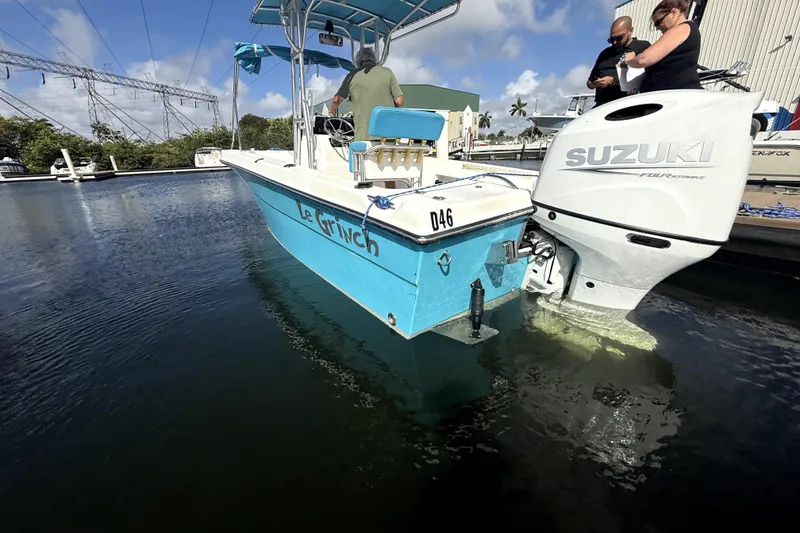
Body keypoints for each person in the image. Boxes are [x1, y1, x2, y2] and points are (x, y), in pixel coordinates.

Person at [621, 0, 702, 93]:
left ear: (673, 12)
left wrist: (630, 60)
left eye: (658, 22)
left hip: (676, 96)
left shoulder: (682, 28)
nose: (657, 27)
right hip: (666, 96)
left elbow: (643, 59)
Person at [328, 47, 404, 142]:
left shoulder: (352, 76)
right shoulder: (387, 72)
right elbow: (399, 101)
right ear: (374, 59)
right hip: (389, 136)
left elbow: (336, 100)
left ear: (358, 61)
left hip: (364, 138)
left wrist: (332, 111)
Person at [586, 16, 651, 107]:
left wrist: (613, 81)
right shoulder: (604, 54)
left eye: (619, 38)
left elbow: (651, 76)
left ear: (630, 31)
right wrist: (593, 84)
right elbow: (589, 82)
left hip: (628, 105)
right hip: (601, 106)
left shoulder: (642, 47)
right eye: (611, 39)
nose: (615, 42)